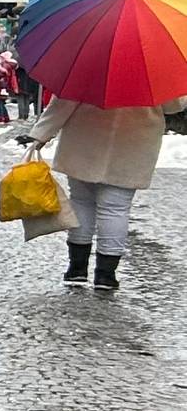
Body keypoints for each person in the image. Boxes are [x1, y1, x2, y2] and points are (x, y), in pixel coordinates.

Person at [24, 93, 187, 291]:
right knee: (116, 209)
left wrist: (40, 134)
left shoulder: (87, 62)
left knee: (81, 202)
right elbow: (174, 105)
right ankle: (106, 275)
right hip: (132, 144)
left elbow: (65, 100)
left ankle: (77, 268)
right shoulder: (156, 68)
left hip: (84, 140)